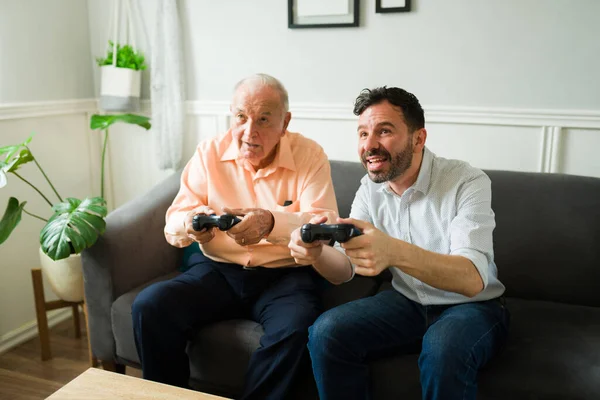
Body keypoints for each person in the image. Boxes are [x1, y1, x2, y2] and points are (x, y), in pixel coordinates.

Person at [288, 86, 510, 400]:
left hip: (472, 306)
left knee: (442, 349)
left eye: (384, 131)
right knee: (326, 332)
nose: (369, 145)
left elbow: (472, 279)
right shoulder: (370, 187)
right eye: (363, 134)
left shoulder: (466, 181)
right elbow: (344, 270)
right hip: (408, 301)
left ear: (419, 138)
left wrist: (392, 250)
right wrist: (315, 254)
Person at [131, 73, 339, 400]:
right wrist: (193, 223)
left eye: (263, 120)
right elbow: (174, 221)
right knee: (150, 305)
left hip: (284, 276)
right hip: (217, 270)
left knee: (297, 327)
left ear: (285, 123)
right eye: (241, 117)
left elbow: (323, 225)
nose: (248, 131)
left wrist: (272, 223)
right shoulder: (208, 153)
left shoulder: (310, 156)